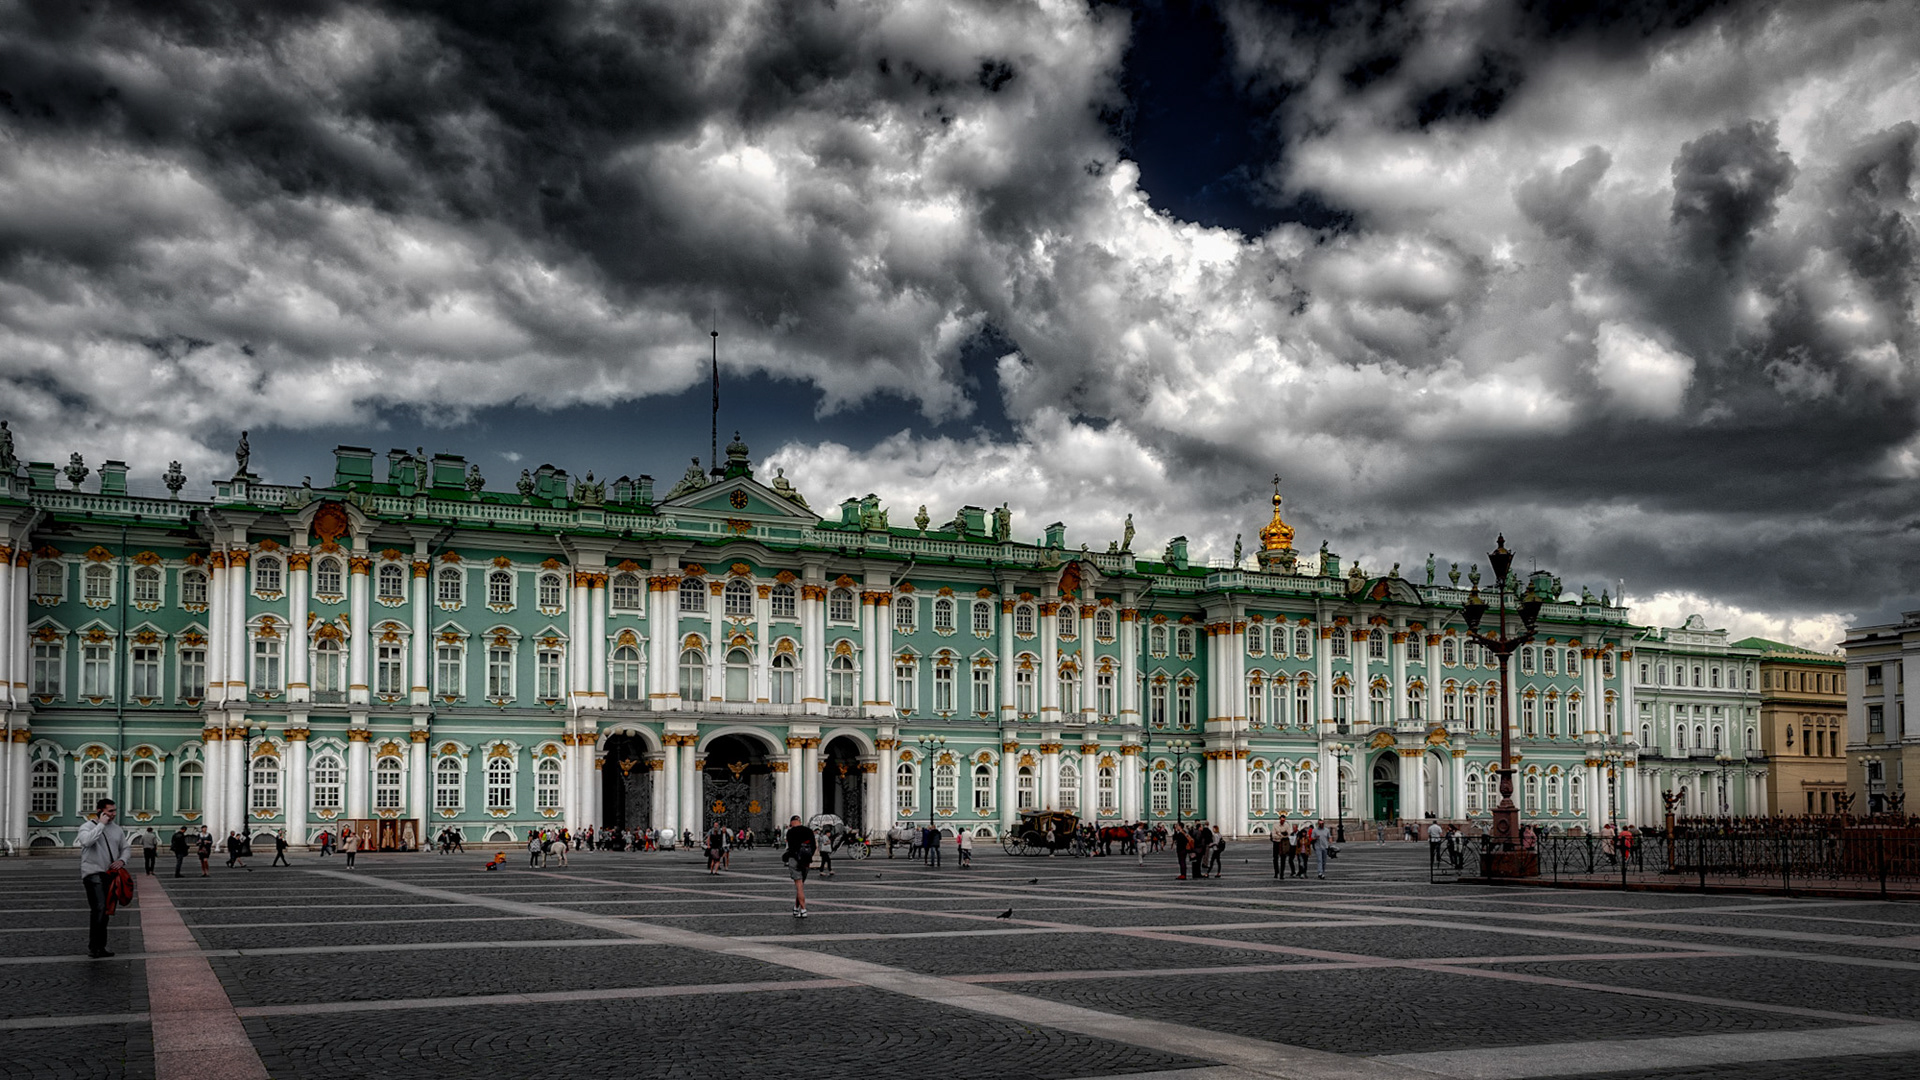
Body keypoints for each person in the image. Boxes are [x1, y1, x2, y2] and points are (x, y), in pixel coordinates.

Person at [78, 798, 131, 958]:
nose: (114, 814)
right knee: (99, 908)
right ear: (100, 811)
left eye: (115, 811)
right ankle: (94, 947)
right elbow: (87, 841)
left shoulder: (117, 829)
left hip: (111, 875)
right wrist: (101, 824)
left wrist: (122, 860)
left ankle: (100, 946)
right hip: (93, 873)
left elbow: (126, 848)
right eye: (110, 811)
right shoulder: (86, 827)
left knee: (106, 910)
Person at [783, 815, 815, 917]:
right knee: (800, 885)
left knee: (799, 886)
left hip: (794, 859)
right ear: (799, 821)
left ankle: (804, 910)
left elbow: (791, 847)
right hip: (806, 860)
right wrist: (808, 856)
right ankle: (796, 908)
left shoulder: (790, 832)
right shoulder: (809, 831)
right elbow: (814, 846)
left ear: (792, 822)